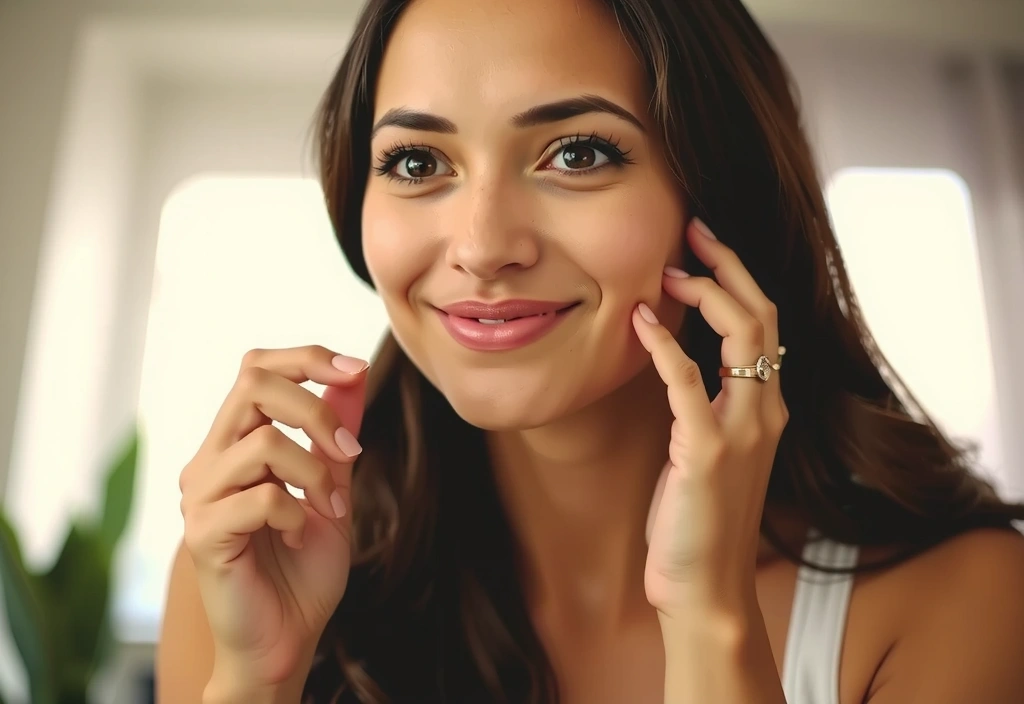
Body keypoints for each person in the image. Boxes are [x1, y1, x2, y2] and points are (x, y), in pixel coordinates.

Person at [157, 0, 1024, 701]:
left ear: (717, 195)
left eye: (576, 154)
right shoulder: (249, 578)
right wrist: (258, 682)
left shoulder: (959, 602)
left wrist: (711, 619)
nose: (483, 246)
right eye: (418, 163)